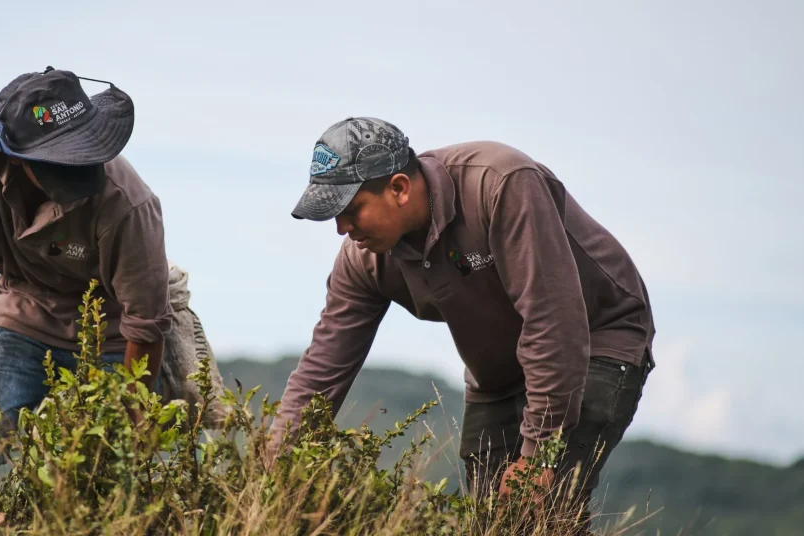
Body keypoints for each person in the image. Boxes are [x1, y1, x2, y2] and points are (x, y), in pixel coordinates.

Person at [270, 116, 655, 529]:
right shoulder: (363, 260)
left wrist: (538, 453)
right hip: (498, 377)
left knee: (536, 510)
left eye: (350, 210)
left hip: (595, 340)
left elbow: (553, 322)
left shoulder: (501, 185)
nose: (342, 229)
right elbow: (322, 368)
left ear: (398, 188)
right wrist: (274, 464)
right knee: (491, 524)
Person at [0, 66, 173, 519]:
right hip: (23, 305)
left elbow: (146, 321)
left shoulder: (130, 205)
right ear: (16, 156)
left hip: (111, 332)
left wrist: (135, 410)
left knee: (103, 473)